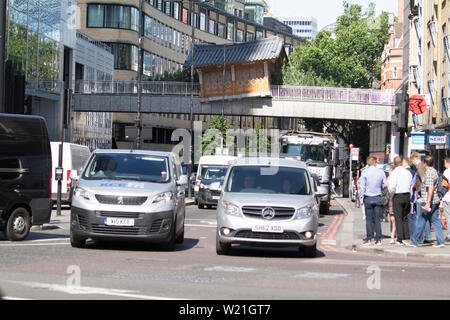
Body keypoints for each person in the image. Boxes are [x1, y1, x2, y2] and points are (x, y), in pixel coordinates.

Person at [408, 155, 445, 248]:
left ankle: (415, 240)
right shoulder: (434, 171)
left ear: (425, 163)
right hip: (435, 200)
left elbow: (430, 188)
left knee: (421, 220)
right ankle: (441, 241)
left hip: (427, 200)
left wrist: (428, 201)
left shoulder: (428, 173)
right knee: (436, 220)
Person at [359, 156, 388, 246]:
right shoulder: (381, 172)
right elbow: (385, 185)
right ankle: (378, 239)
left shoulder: (364, 172)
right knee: (377, 219)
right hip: (377, 197)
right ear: (375, 163)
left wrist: (361, 198)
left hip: (368, 197)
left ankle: (369, 239)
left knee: (368, 220)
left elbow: (362, 187)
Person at [389, 156, 413, 245]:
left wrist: (391, 195)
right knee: (405, 217)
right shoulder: (408, 173)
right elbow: (411, 186)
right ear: (402, 162)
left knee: (398, 218)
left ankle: (400, 238)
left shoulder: (394, 173)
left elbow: (392, 187)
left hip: (398, 196)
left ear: (394, 164)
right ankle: (407, 237)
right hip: (407, 195)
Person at [410, 152, 433, 244]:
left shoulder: (419, 167)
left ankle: (420, 238)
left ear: (414, 159)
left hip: (422, 195)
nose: (413, 163)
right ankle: (427, 237)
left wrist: (420, 191)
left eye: (412, 161)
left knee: (420, 217)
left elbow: (424, 180)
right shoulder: (422, 166)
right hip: (424, 194)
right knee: (425, 216)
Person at [403, 157, 417, 238]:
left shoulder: (404, 172)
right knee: (411, 215)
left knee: (408, 216)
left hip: (406, 195)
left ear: (405, 162)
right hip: (411, 196)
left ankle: (409, 234)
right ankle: (411, 234)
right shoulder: (413, 172)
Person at [440, 157, 450, 242]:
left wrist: (441, 194)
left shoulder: (446, 172)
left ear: (447, 163)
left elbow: (444, 185)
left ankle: (449, 235)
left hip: (448, 197)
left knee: (448, 216)